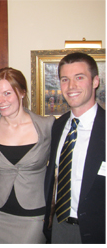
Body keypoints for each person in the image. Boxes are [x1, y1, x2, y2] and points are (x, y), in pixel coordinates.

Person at [0, 67, 55, 243]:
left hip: (33, 217)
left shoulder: (47, 126)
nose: (1, 101)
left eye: (7, 93)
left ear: (22, 92)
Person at [43, 52, 105, 244]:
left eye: (79, 77)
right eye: (64, 79)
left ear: (95, 81)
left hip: (97, 232)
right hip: (58, 227)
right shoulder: (58, 126)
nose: (71, 87)